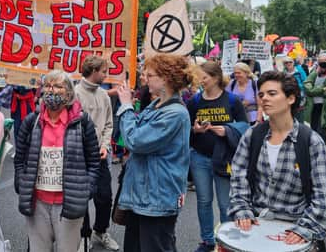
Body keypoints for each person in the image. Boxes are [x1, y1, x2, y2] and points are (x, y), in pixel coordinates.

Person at [229, 71, 326, 249]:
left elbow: (323, 197)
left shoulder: (310, 141)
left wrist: (304, 229)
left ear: (290, 99)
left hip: (296, 230)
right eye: (261, 94)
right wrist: (242, 211)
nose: (264, 99)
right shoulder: (252, 135)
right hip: (257, 226)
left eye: (272, 93)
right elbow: (238, 179)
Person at [14, 70, 100, 252]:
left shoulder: (82, 122)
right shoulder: (31, 122)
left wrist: (86, 189)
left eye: (58, 86)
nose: (52, 90)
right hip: (37, 203)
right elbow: (20, 159)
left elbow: (93, 161)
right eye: (48, 85)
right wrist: (22, 184)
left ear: (69, 93)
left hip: (69, 203)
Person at [114, 54, 192, 252]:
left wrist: (125, 106)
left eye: (149, 75)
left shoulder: (175, 113)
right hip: (142, 196)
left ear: (165, 78)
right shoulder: (156, 105)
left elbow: (135, 140)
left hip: (157, 198)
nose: (144, 78)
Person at [187, 61, 248, 252]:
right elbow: (185, 128)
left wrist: (228, 130)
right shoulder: (195, 101)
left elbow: (245, 126)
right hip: (200, 157)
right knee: (204, 201)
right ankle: (207, 241)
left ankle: (226, 242)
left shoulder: (232, 100)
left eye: (203, 78)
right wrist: (195, 130)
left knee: (225, 203)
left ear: (215, 78)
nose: (200, 81)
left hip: (224, 158)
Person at [74, 56, 119, 251]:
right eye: (103, 71)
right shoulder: (74, 93)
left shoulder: (104, 96)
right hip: (79, 156)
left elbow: (109, 124)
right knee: (81, 199)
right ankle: (81, 238)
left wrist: (105, 145)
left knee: (105, 197)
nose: (106, 74)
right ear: (93, 71)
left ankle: (100, 231)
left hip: (100, 155)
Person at [303, 53, 326, 143]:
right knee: (313, 130)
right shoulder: (314, 73)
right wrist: (321, 89)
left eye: (325, 64)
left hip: (324, 107)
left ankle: (322, 150)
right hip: (313, 106)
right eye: (321, 64)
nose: (323, 67)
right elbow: (307, 87)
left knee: (321, 131)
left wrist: (313, 91)